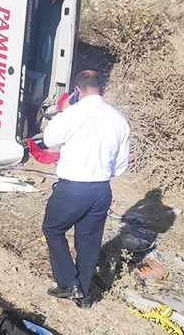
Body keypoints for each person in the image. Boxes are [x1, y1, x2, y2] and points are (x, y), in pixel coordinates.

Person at [40, 70, 130, 309]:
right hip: (101, 190)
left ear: (77, 90)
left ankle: (69, 282)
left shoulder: (73, 113)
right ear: (100, 88)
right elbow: (120, 166)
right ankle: (84, 296)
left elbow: (49, 139)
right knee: (89, 243)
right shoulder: (117, 117)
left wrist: (63, 111)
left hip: (72, 189)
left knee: (52, 229)